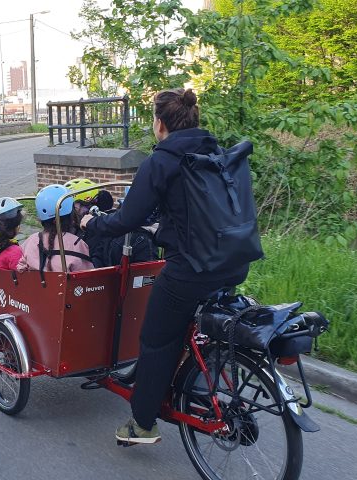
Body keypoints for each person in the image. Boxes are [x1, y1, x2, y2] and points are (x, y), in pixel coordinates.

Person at [80, 88, 250, 444]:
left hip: (189, 270)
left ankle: (142, 423)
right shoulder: (213, 155)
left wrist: (93, 225)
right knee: (192, 330)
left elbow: (127, 218)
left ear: (159, 124)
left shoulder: (160, 161)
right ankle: (199, 383)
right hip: (233, 262)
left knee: (157, 339)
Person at [17, 184, 94, 273]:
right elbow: (88, 275)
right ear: (71, 216)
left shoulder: (30, 241)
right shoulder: (76, 243)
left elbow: (21, 268)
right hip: (69, 286)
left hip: (36, 286)